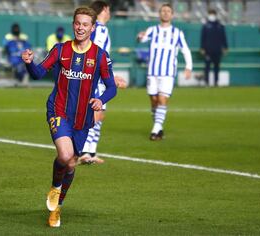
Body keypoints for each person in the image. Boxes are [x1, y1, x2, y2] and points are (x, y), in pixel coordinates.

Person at [22, 6, 117, 227]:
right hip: (59, 110)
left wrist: (101, 100)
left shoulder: (100, 56)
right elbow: (38, 74)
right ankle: (55, 187)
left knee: (72, 165)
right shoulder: (60, 49)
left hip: (83, 118)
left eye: (85, 24)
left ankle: (57, 209)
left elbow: (112, 87)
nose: (80, 28)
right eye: (77, 23)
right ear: (72, 24)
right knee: (65, 156)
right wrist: (29, 64)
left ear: (93, 28)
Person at [78, 0, 127, 164]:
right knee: (95, 114)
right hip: (94, 79)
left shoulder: (98, 29)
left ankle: (91, 152)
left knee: (100, 114)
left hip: (97, 78)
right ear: (104, 9)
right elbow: (93, 55)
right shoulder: (98, 29)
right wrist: (111, 77)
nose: (110, 12)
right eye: (108, 9)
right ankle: (84, 151)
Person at [137, 3, 192, 141]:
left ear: (172, 15)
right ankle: (159, 127)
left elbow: (185, 50)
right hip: (152, 71)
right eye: (163, 11)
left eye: (168, 11)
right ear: (159, 14)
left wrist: (188, 67)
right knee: (154, 101)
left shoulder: (177, 33)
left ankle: (155, 129)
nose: (166, 13)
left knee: (162, 99)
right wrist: (140, 36)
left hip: (168, 72)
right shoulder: (152, 30)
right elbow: (141, 39)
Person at [200, 9, 228, 86]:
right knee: (207, 67)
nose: (211, 16)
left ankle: (216, 82)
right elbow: (203, 38)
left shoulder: (220, 25)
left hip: (217, 50)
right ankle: (206, 82)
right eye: (210, 14)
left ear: (215, 15)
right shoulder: (205, 26)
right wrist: (202, 48)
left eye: (212, 14)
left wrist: (225, 47)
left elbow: (223, 37)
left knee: (217, 67)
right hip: (208, 50)